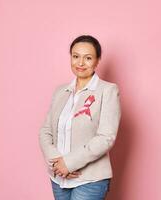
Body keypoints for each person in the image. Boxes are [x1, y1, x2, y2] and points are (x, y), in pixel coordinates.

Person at [39, 35, 121, 200]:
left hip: (90, 179)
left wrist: (69, 164)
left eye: (88, 58)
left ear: (98, 60)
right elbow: (45, 131)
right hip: (58, 178)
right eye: (76, 56)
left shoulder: (107, 90)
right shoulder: (60, 91)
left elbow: (106, 137)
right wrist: (57, 164)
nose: (80, 63)